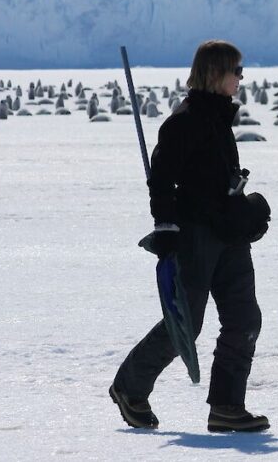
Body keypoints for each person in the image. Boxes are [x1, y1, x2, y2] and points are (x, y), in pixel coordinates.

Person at [110, 40, 269, 433]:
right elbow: (161, 180)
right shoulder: (184, 121)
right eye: (237, 70)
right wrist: (165, 227)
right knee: (185, 324)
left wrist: (243, 211)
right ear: (216, 73)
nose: (241, 78)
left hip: (229, 237)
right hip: (197, 238)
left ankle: (227, 407)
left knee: (244, 319)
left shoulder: (218, 118)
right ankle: (129, 387)